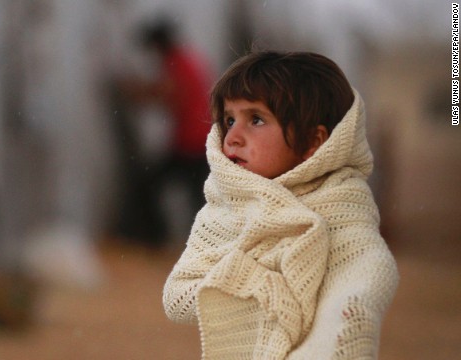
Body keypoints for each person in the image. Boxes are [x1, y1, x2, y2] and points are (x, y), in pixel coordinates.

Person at [162, 51, 399, 359]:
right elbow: (178, 297)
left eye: (256, 120)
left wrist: (349, 312)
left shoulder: (341, 204)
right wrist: (258, 282)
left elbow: (368, 270)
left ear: (312, 142)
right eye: (229, 119)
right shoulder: (225, 209)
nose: (232, 137)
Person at [115, 17, 214, 248]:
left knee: (149, 185)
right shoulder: (188, 58)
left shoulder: (177, 62)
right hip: (197, 140)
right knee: (195, 198)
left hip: (191, 143)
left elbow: (169, 95)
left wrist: (133, 91)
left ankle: (155, 239)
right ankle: (198, 245)